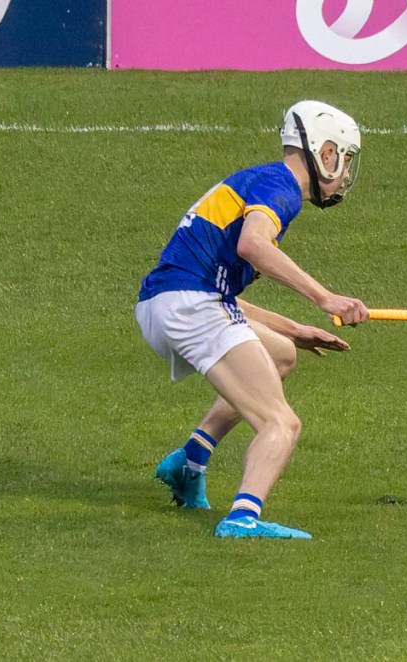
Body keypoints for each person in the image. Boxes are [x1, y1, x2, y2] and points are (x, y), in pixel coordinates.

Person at [135, 100, 370, 538]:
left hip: (163, 304)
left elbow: (218, 291)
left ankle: (190, 461)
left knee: (280, 353)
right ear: (325, 152)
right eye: (345, 157)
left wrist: (293, 329)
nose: (344, 173)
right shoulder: (280, 188)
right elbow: (252, 247)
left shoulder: (259, 181)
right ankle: (243, 518)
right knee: (281, 423)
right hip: (189, 306)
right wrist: (326, 299)